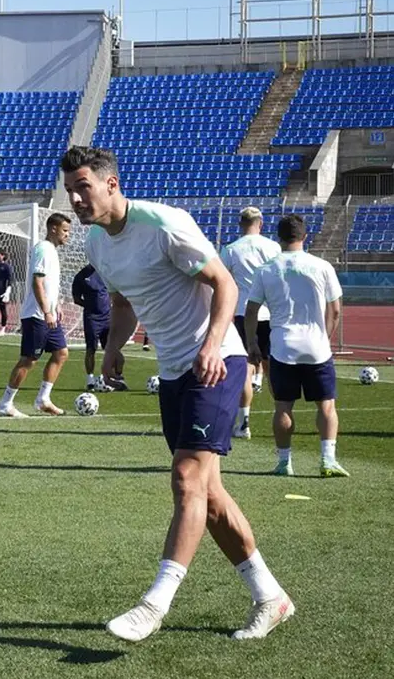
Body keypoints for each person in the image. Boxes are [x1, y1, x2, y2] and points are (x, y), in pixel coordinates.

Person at [64, 145, 293, 642]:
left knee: (187, 479)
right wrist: (113, 347)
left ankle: (155, 603)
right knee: (207, 496)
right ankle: (271, 597)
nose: (76, 200)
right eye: (70, 191)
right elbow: (124, 299)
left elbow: (224, 283)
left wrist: (212, 345)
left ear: (110, 184)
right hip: (172, 373)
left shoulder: (164, 222)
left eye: (83, 187)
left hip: (216, 362)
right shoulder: (98, 244)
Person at [246, 214, 347, 478]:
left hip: (282, 347)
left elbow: (251, 310)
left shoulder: (267, 269)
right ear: (304, 236)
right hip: (316, 346)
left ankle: (284, 463)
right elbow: (335, 310)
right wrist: (325, 337)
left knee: (283, 407)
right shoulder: (322, 266)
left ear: (278, 238)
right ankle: (327, 460)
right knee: (326, 406)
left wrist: (252, 342)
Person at [0, 214, 73, 417]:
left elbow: (49, 284)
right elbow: (37, 282)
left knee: (61, 353)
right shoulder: (43, 249)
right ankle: (5, 403)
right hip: (37, 315)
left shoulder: (53, 252)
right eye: (65, 230)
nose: (68, 235)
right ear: (53, 228)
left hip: (49, 314)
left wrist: (56, 306)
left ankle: (43, 399)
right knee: (29, 360)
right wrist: (47, 311)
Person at [220, 207, 281, 439]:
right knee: (271, 367)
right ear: (260, 223)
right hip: (270, 312)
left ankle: (244, 422)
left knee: (245, 368)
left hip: (243, 313)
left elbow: (222, 279)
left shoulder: (231, 250)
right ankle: (281, 415)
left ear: (240, 224)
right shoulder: (273, 248)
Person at [72, 262, 112, 392]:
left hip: (107, 317)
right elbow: (76, 298)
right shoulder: (81, 276)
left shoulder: (106, 271)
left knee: (111, 349)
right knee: (91, 349)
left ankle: (111, 379)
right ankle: (90, 380)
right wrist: (90, 306)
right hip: (91, 318)